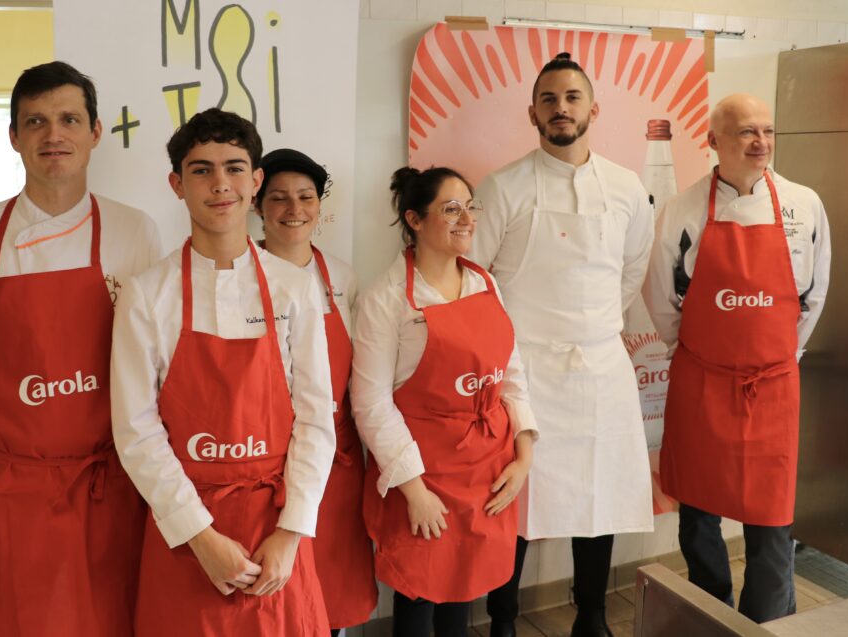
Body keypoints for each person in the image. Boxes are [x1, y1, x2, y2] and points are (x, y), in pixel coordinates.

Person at [0, 61, 160, 636]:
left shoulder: (136, 233)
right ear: (14, 137)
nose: (55, 135)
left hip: (115, 497)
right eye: (37, 122)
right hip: (9, 503)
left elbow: (159, 379)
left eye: (70, 119)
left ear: (96, 133)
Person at [111, 108, 335, 636]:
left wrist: (291, 532)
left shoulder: (294, 287)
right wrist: (200, 537)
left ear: (256, 182)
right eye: (201, 170)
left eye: (235, 168)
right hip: (187, 531)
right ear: (176, 184)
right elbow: (135, 430)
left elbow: (316, 416)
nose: (220, 184)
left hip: (276, 526)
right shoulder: (147, 294)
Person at [471, 52, 655, 637]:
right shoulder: (502, 187)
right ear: (532, 112)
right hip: (524, 373)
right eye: (549, 99)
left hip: (600, 369)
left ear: (593, 108)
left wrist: (592, 330)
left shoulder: (627, 188)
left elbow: (632, 274)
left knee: (598, 502)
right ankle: (503, 618)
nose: (561, 108)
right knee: (515, 503)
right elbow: (475, 280)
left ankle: (593, 615)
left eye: (572, 97)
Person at [643, 93, 831, 623]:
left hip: (772, 386)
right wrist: (705, 355)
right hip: (703, 383)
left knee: (772, 517)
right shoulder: (683, 207)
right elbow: (662, 298)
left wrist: (778, 355)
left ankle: (765, 624)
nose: (760, 142)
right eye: (747, 132)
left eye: (768, 131)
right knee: (698, 512)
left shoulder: (803, 204)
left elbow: (814, 294)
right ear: (713, 141)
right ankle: (711, 613)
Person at [352, 166, 537, 637]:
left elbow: (510, 373)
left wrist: (523, 455)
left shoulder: (484, 284)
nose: (467, 219)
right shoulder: (385, 299)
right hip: (425, 474)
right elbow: (371, 403)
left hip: (487, 469)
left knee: (465, 591)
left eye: (470, 207)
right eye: (450, 209)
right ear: (414, 219)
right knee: (418, 595)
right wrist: (414, 491)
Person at [253, 148, 378, 635]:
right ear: (258, 205)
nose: (293, 208)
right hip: (269, 459)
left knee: (331, 586)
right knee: (276, 590)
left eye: (305, 197)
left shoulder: (342, 278)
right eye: (279, 198)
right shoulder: (243, 274)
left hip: (337, 459)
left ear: (320, 207)